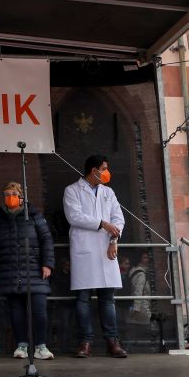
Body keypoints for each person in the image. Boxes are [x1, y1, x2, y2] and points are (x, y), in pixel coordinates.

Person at [64, 154, 127, 359]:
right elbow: (74, 217)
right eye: (104, 168)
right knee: (83, 298)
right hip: (85, 249)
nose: (107, 172)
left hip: (106, 249)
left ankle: (112, 341)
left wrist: (113, 241)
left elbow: (118, 218)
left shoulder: (108, 192)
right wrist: (102, 224)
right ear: (94, 170)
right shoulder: (72, 190)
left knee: (107, 299)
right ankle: (86, 342)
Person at [0, 181, 55, 360]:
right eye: (7, 195)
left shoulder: (34, 215)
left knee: (39, 310)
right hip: (10, 270)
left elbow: (46, 240)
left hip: (34, 271)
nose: (10, 198)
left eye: (14, 195)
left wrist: (47, 264)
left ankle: (41, 346)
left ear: (22, 197)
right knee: (16, 310)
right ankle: (22, 345)